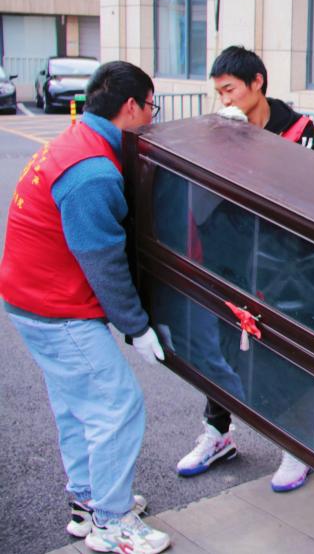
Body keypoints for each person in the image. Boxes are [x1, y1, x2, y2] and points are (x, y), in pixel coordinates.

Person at [0, 61, 171, 554]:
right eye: (151, 107)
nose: (152, 117)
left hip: (28, 299)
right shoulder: (92, 170)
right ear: (131, 106)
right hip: (56, 309)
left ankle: (88, 501)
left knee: (78, 405)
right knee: (117, 404)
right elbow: (104, 263)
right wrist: (136, 326)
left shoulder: (76, 141)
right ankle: (112, 523)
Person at [175, 45, 314, 492]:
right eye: (219, 93)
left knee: (280, 351)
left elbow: (296, 195)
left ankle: (297, 445)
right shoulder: (221, 128)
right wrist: (221, 140)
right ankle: (217, 432)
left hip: (282, 264)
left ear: (257, 83)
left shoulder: (299, 129)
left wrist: (249, 146)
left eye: (230, 90)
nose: (225, 100)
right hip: (226, 255)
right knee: (219, 344)